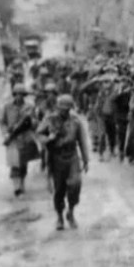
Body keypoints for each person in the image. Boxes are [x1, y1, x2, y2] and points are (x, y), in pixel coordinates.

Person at [37, 94, 91, 231]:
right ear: (57, 107)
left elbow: (82, 141)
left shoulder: (75, 121)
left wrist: (85, 159)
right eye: (62, 108)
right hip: (56, 157)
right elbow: (39, 134)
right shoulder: (50, 119)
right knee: (59, 189)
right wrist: (49, 138)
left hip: (72, 156)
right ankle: (60, 217)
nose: (64, 111)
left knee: (75, 184)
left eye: (67, 109)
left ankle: (71, 212)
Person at [0, 83, 38, 197]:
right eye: (16, 94)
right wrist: (6, 133)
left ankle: (22, 182)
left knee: (23, 164)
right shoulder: (7, 107)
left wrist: (30, 122)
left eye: (21, 94)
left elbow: (35, 122)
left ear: (24, 95)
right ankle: (17, 187)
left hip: (25, 138)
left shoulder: (30, 107)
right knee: (14, 163)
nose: (19, 97)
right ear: (13, 95)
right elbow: (3, 122)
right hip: (13, 138)